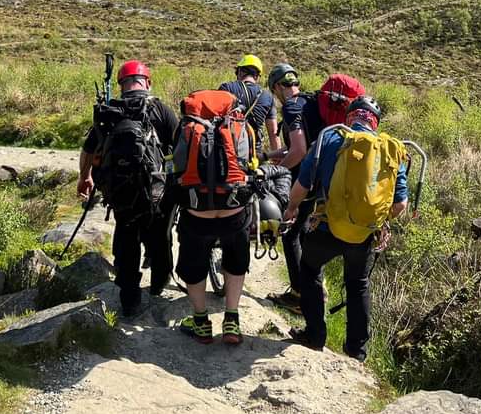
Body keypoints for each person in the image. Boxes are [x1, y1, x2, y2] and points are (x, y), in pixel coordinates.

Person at [285, 96, 408, 361]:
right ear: (375, 122)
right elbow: (400, 205)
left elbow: (303, 185)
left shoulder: (330, 138)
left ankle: (315, 336)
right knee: (358, 284)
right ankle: (356, 352)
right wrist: (380, 222)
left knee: (309, 271)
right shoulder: (390, 150)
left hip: (326, 228)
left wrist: (292, 208)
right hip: (364, 235)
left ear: (350, 116)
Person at [77, 60, 179, 315]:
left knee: (126, 236)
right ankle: (158, 283)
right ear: (148, 82)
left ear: (122, 85)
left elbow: (89, 149)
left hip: (121, 191)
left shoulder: (110, 111)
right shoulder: (161, 110)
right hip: (157, 192)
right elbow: (180, 147)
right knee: (160, 236)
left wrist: (85, 177)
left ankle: (129, 298)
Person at [265, 65, 364, 313]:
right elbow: (304, 147)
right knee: (303, 234)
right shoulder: (312, 102)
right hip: (326, 180)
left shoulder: (291, 107)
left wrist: (275, 172)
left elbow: (298, 152)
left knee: (290, 233)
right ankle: (310, 289)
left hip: (305, 180)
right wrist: (268, 154)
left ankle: (302, 296)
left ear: (277, 87)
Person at [170, 89, 256, 345]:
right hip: (234, 210)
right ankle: (231, 318)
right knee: (236, 259)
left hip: (197, 211)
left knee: (193, 263)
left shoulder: (187, 127)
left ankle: (200, 322)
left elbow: (176, 167)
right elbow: (251, 163)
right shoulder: (240, 126)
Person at [219, 53, 280, 161]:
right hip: (254, 155)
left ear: (240, 72)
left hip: (227, 152)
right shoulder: (267, 96)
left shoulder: (227, 88)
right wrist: (278, 164)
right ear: (256, 76)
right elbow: (273, 134)